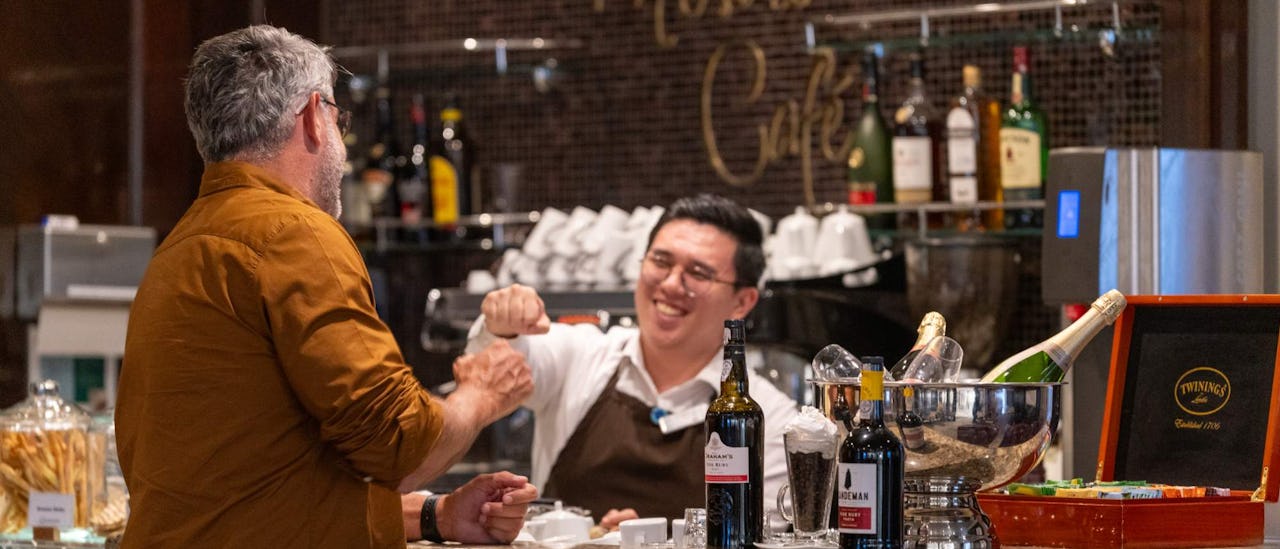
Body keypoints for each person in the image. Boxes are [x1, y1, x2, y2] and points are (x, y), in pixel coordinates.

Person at [115, 25, 535, 548]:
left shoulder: (178, 247)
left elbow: (256, 483)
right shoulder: (296, 232)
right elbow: (399, 446)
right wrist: (484, 392)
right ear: (315, 115)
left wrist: (436, 516)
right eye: (340, 118)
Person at [468, 194, 800, 526]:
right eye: (661, 261)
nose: (671, 284)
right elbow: (486, 370)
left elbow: (763, 535)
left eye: (698, 273)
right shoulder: (580, 356)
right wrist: (502, 324)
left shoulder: (771, 420)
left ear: (742, 302)